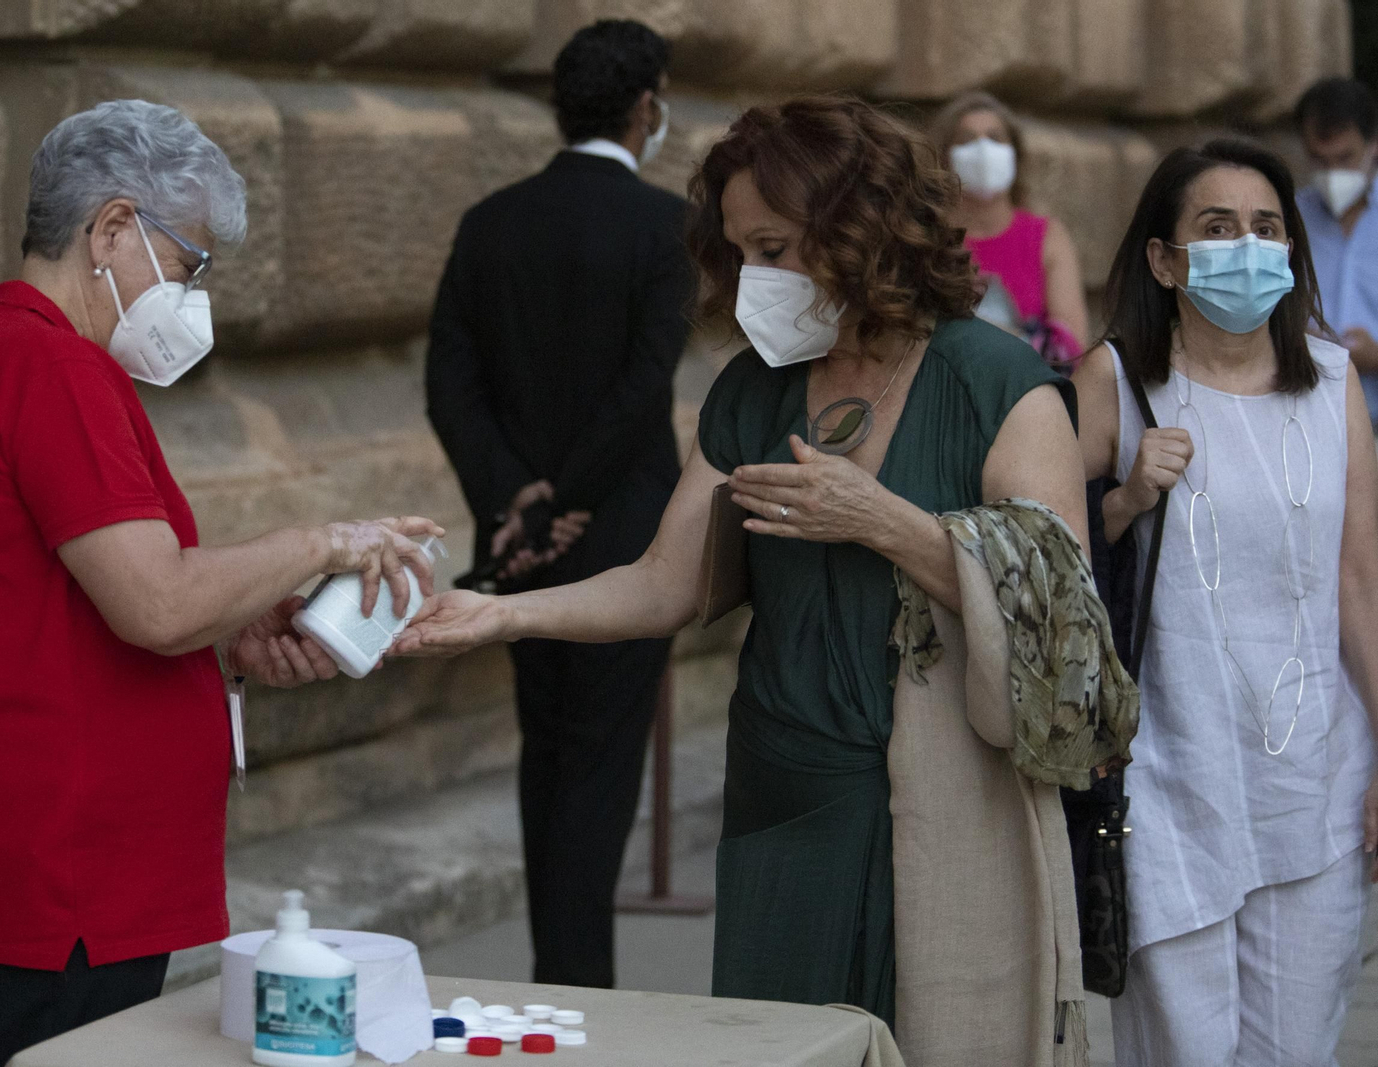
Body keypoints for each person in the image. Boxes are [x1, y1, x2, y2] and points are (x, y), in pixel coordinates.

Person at [405, 95, 1089, 1034]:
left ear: (863, 229)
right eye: (738, 252)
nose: (752, 277)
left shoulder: (996, 382)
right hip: (783, 791)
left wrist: (883, 521)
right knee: (778, 1043)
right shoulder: (754, 390)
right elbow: (664, 581)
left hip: (951, 799)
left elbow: (1060, 624)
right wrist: (502, 614)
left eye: (774, 247)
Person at [0, 99, 442, 1067]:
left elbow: (88, 598)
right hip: (54, 882)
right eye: (188, 265)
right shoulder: (50, 364)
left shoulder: (17, 354)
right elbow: (156, 601)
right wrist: (324, 542)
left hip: (51, 878)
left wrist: (234, 628)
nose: (191, 297)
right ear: (111, 229)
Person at [1075, 138, 1378, 1065]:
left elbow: (1360, 580)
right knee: (1185, 1050)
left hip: (1314, 780)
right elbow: (1043, 558)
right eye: (1216, 228)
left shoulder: (1332, 382)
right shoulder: (1114, 382)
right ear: (1164, 260)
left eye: (1266, 227)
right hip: (1169, 780)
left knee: (1296, 1048)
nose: (1246, 247)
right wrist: (1124, 498)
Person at [424, 17, 693, 990]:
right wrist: (564, 499)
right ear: (645, 106)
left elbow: (449, 381)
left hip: (517, 541)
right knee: (599, 762)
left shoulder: (490, 220)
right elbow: (644, 385)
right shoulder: (666, 224)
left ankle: (560, 969)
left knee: (546, 749)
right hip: (625, 535)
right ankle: (577, 984)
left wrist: (514, 499)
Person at [931, 91, 1090, 366]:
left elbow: (1071, 349)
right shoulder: (927, 237)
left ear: (1015, 155)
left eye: (995, 138)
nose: (983, 149)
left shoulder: (1047, 236)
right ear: (945, 158)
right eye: (967, 140)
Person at [1296, 76, 1378, 428]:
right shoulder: (1288, 218)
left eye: (1345, 158)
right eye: (1319, 160)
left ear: (1373, 145)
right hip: (1312, 418)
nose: (1332, 173)